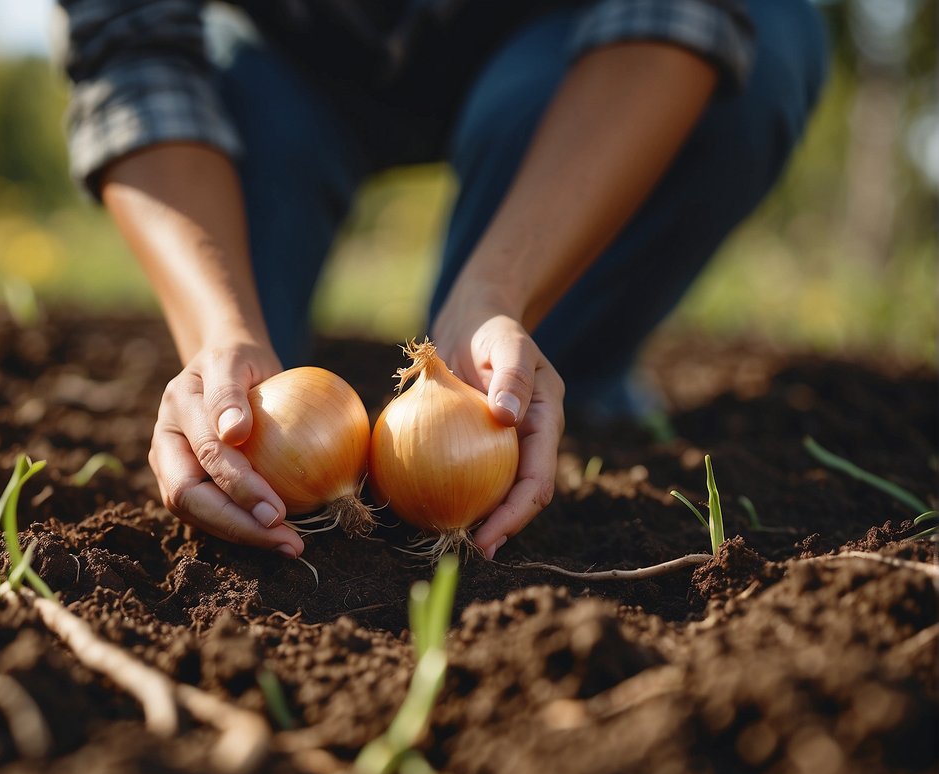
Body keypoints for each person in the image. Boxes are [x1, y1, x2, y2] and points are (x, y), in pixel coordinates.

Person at [58, 0, 827, 562]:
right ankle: (262, 365)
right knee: (252, 416)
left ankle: (573, 366)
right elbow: (134, 51)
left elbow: (677, 11)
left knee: (759, 50)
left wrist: (496, 292)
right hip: (277, 63)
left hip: (555, 47)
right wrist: (220, 330)